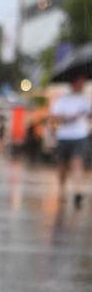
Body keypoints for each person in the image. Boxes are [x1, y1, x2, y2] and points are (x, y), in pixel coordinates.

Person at [49, 73, 90, 208]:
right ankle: (62, 190)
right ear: (73, 83)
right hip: (64, 136)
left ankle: (78, 191)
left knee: (77, 162)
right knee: (62, 165)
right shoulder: (63, 100)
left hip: (80, 135)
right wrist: (67, 117)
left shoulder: (85, 100)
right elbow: (54, 117)